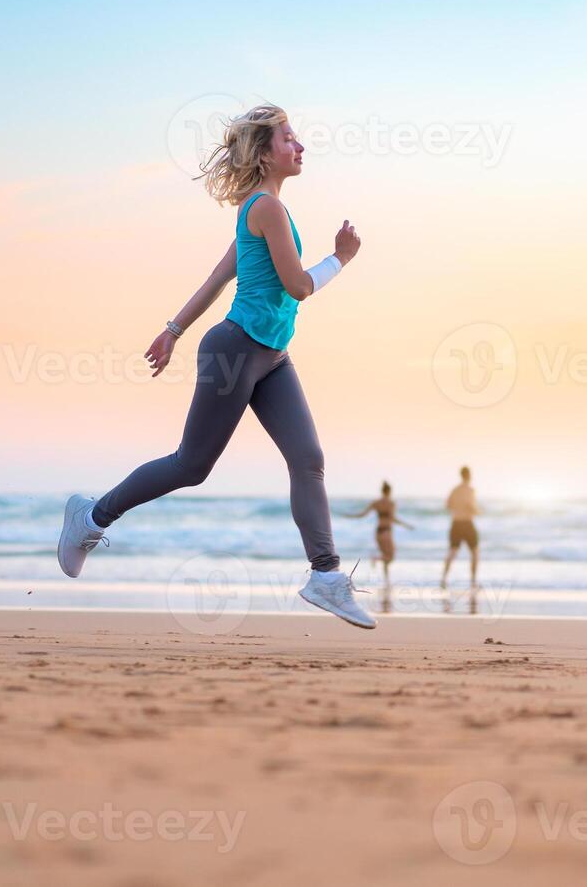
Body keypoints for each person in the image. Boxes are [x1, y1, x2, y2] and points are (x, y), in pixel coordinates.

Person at [56, 104, 376, 629]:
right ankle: (90, 516)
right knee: (191, 466)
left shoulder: (266, 210)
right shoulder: (265, 209)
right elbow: (298, 286)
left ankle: (325, 576)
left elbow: (217, 277)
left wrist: (173, 331)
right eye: (289, 139)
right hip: (235, 350)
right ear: (264, 152)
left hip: (272, 356)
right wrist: (341, 258)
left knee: (308, 458)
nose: (299, 147)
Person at [346, 481, 412, 586]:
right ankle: (375, 558)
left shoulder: (376, 503)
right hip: (386, 531)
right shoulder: (391, 503)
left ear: (382, 491)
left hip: (378, 532)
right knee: (390, 557)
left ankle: (387, 581)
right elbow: (393, 518)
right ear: (389, 491)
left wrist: (351, 516)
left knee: (386, 556)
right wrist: (406, 525)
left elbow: (362, 514)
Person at [440, 466, 481, 590]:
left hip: (456, 523)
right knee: (474, 553)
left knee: (452, 552)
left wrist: (457, 509)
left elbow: (447, 505)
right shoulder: (470, 490)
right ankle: (473, 582)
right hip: (467, 523)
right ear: (469, 475)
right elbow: (470, 506)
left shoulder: (455, 490)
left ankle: (443, 579)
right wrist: (478, 511)